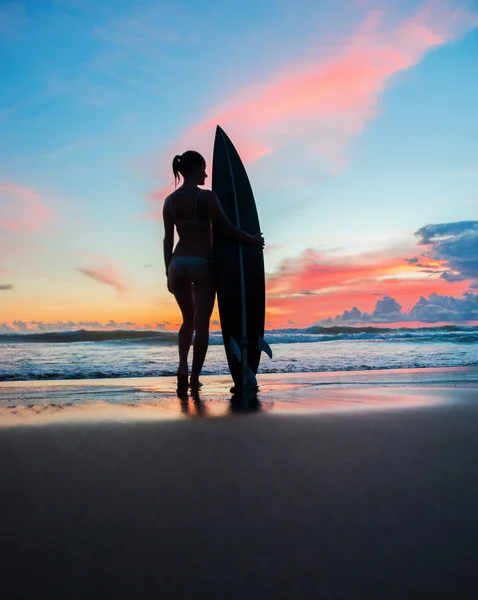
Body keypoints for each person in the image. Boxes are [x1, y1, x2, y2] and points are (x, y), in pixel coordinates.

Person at [163, 150, 264, 394]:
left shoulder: (170, 201)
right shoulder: (206, 197)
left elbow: (167, 240)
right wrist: (250, 239)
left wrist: (168, 271)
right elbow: (227, 228)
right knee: (202, 324)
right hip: (202, 263)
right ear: (195, 169)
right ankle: (194, 378)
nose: (207, 173)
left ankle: (181, 368)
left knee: (187, 321)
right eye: (204, 168)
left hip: (177, 263)